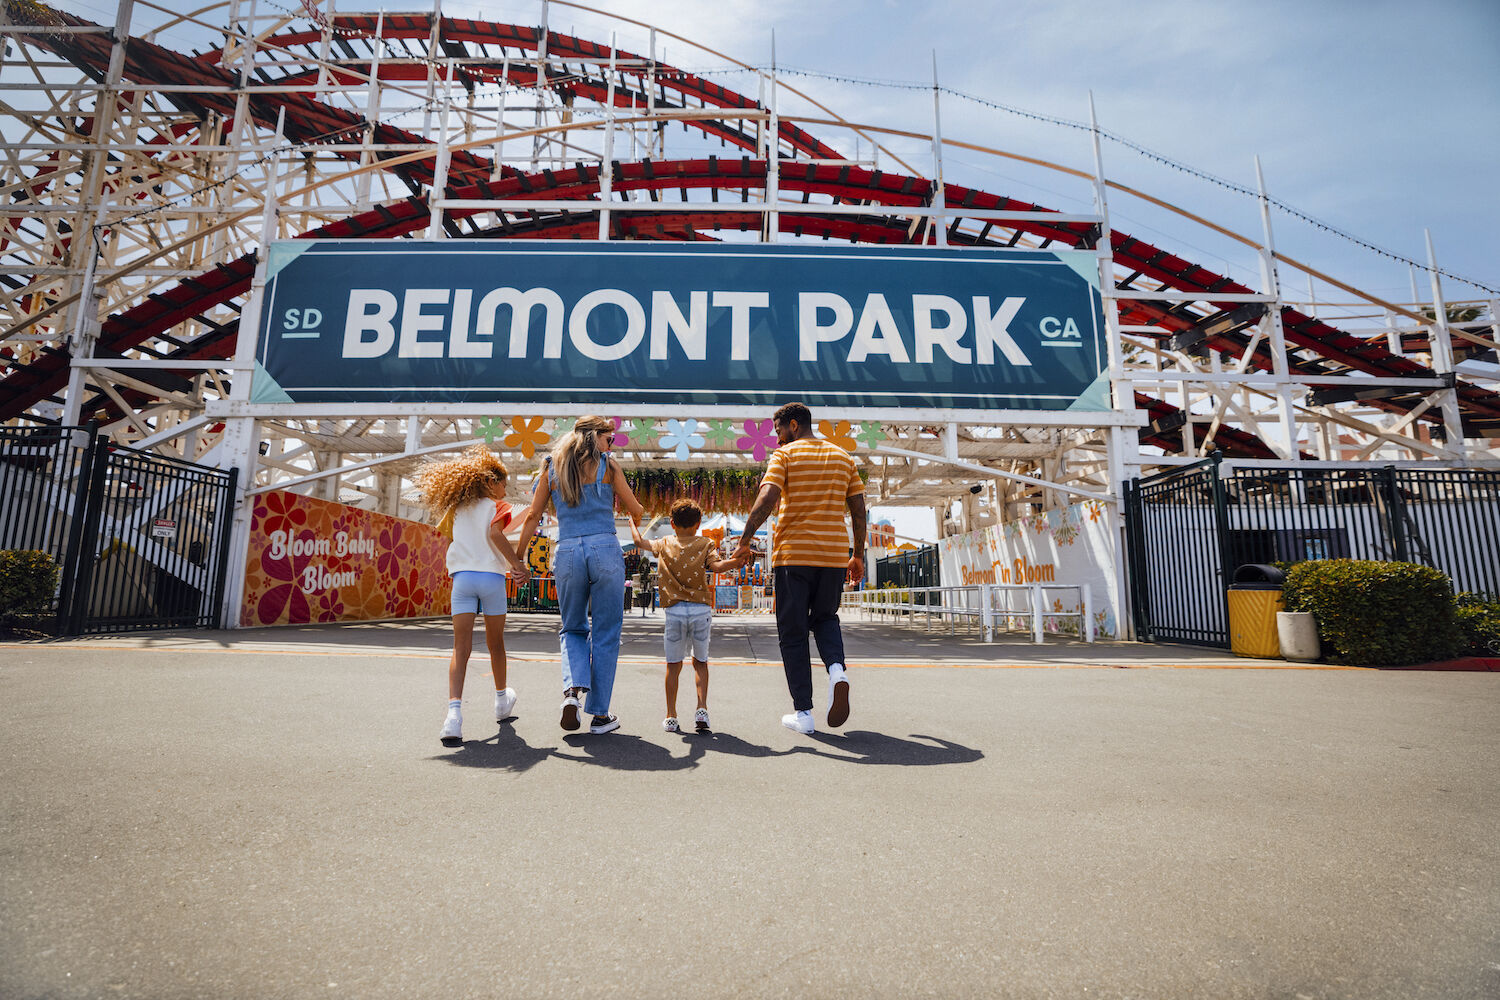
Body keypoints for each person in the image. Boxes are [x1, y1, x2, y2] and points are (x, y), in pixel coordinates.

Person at [735, 402, 866, 735]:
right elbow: (859, 510)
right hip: (834, 556)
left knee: (792, 634)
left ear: (794, 424)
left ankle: (803, 714)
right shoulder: (843, 458)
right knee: (826, 618)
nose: (777, 439)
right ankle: (837, 673)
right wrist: (858, 555)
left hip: (794, 556)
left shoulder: (785, 456)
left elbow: (767, 499)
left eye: (779, 430)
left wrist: (745, 540)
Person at [516, 415, 645, 734]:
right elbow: (636, 509)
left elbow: (533, 515)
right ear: (596, 437)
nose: (610, 444)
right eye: (609, 438)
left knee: (572, 627)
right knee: (606, 631)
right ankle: (600, 715)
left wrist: (518, 558)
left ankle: (572, 693)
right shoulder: (608, 466)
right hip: (605, 549)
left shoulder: (552, 466)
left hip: (568, 551)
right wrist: (632, 517)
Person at [416, 444, 530, 748]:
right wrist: (517, 565)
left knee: (460, 648)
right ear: (490, 483)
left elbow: (448, 535)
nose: (506, 488)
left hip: (463, 580)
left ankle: (453, 717)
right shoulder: (498, 508)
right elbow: (495, 535)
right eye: (503, 482)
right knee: (496, 645)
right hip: (491, 579)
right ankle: (501, 701)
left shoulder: (457, 508)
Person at [630, 500, 747, 734]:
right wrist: (736, 561)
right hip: (700, 610)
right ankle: (701, 709)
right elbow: (718, 567)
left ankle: (671, 716)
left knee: (673, 666)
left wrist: (634, 522)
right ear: (698, 523)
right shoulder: (705, 543)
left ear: (672, 523)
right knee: (700, 662)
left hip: (673, 611)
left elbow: (638, 541)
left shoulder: (664, 543)